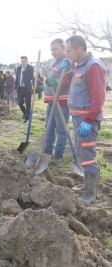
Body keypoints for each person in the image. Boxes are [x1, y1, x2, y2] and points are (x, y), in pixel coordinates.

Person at [64, 35, 106, 206]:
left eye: (69, 51)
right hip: (78, 116)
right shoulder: (79, 65)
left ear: (79, 49)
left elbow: (99, 98)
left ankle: (90, 193)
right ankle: (87, 186)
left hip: (87, 118)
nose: (67, 54)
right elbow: (71, 83)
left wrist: (89, 120)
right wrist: (68, 71)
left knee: (88, 154)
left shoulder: (93, 66)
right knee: (82, 153)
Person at [43, 38, 71, 164]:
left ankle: (58, 155)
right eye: (51, 50)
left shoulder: (68, 62)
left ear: (63, 48)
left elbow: (69, 81)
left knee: (61, 129)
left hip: (61, 103)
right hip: (51, 102)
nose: (53, 52)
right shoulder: (55, 63)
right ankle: (47, 152)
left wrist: (54, 81)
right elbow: (51, 80)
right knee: (49, 128)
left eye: (55, 49)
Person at [14, 56, 34, 123]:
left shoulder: (30, 68)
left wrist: (24, 71)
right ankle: (25, 113)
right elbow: (17, 79)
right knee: (19, 102)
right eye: (21, 61)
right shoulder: (18, 68)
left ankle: (27, 118)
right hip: (20, 88)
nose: (22, 62)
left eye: (24, 61)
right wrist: (15, 88)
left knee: (28, 103)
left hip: (27, 88)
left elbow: (31, 77)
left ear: (27, 61)